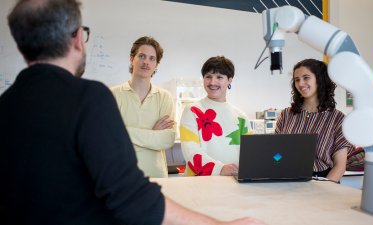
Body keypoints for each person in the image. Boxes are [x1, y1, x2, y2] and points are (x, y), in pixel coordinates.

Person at [0, 1, 267, 225]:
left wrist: (126, 131)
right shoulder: (91, 97)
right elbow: (128, 193)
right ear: (79, 38)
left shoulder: (6, 103)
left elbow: (164, 141)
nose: (214, 81)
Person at [275, 58, 354, 183]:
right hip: (288, 180)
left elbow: (339, 166)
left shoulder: (337, 119)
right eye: (297, 80)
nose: (300, 83)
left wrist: (324, 189)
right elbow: (277, 153)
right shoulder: (286, 115)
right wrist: (275, 162)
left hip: (324, 180)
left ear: (320, 80)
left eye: (306, 77)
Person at [110, 36, 175, 178]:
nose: (146, 62)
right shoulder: (112, 95)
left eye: (152, 58)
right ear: (131, 59)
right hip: (121, 175)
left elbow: (167, 139)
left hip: (157, 177)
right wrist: (153, 133)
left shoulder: (165, 97)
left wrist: (124, 132)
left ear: (157, 64)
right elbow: (108, 137)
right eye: (142, 56)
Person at [179, 56, 252, 176]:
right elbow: (190, 151)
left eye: (219, 77)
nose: (212, 82)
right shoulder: (192, 110)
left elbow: (250, 153)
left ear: (229, 80)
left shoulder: (241, 117)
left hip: (234, 182)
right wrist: (220, 169)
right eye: (208, 77)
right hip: (200, 183)